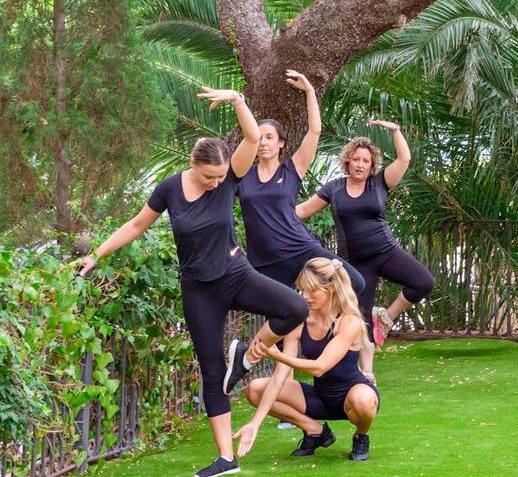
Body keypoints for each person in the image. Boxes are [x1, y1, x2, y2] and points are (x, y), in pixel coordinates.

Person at [71, 87, 309, 477]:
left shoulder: (231, 176)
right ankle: (226, 459)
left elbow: (251, 137)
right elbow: (135, 224)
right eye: (210, 176)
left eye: (221, 176)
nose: (217, 183)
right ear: (193, 165)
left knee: (295, 308)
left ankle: (246, 357)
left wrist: (237, 100)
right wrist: (95, 255)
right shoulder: (169, 189)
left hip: (236, 274)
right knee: (212, 373)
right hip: (199, 289)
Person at [297, 121, 434, 380]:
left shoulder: (379, 183)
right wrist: (271, 213)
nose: (360, 164)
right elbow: (302, 211)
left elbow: (404, 159)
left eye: (366, 161)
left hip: (387, 251)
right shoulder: (334, 188)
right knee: (360, 322)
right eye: (356, 159)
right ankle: (367, 375)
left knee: (424, 282)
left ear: (372, 165)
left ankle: (387, 316)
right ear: (347, 161)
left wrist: (395, 131)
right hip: (356, 264)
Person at [233, 257, 379, 462]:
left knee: (363, 400)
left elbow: (320, 368)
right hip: (320, 397)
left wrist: (278, 355)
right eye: (302, 290)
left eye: (312, 290)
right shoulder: (300, 320)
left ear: (331, 289)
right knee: (255, 389)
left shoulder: (349, 321)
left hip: (352, 396)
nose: (305, 296)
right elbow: (280, 375)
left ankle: (361, 436)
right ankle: (315, 431)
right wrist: (255, 423)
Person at [236, 70, 365, 294]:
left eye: (269, 137)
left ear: (281, 143)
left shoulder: (291, 170)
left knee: (355, 282)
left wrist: (310, 91)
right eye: (259, 137)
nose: (263, 143)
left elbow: (314, 131)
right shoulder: (241, 174)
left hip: (300, 249)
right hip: (265, 261)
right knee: (280, 319)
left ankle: (326, 324)